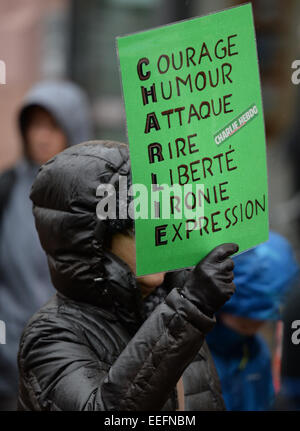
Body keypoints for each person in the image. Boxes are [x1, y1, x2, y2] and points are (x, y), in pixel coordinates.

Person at [17, 140, 239, 411]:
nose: (157, 238)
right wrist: (189, 309)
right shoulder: (50, 334)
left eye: (159, 222)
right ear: (97, 243)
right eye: (137, 229)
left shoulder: (174, 308)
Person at [0, 80, 92, 410]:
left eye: (54, 125)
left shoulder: (97, 200)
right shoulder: (7, 190)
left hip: (74, 374)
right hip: (8, 372)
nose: (42, 136)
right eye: (35, 124)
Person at [206, 232, 299, 411]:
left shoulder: (257, 354)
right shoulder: (193, 358)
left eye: (263, 318)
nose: (256, 325)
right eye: (245, 321)